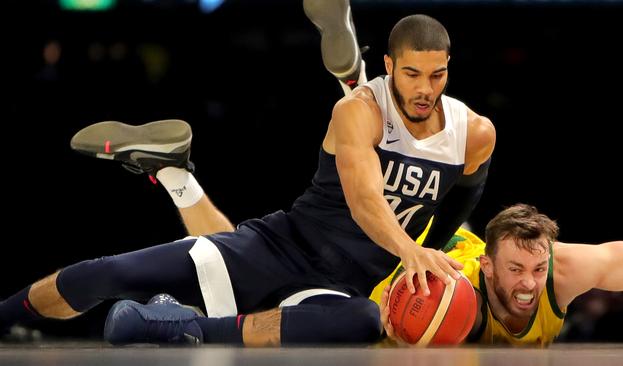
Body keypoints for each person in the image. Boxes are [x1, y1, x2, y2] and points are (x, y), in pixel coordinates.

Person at [0, 0, 495, 346]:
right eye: (411, 74)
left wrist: (431, 254)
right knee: (108, 273)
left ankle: (177, 328)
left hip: (339, 285)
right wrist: (410, 250)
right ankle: (5, 317)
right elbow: (365, 200)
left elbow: (456, 206)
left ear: (450, 67)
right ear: (389, 66)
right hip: (280, 246)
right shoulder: (359, 112)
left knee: (362, 320)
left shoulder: (473, 132)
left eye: (437, 74)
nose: (425, 88)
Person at [379, 203, 623, 346]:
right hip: (393, 249)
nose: (529, 283)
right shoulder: (443, 302)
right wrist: (405, 346)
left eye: (539, 269)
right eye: (515, 269)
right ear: (488, 267)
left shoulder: (563, 270)